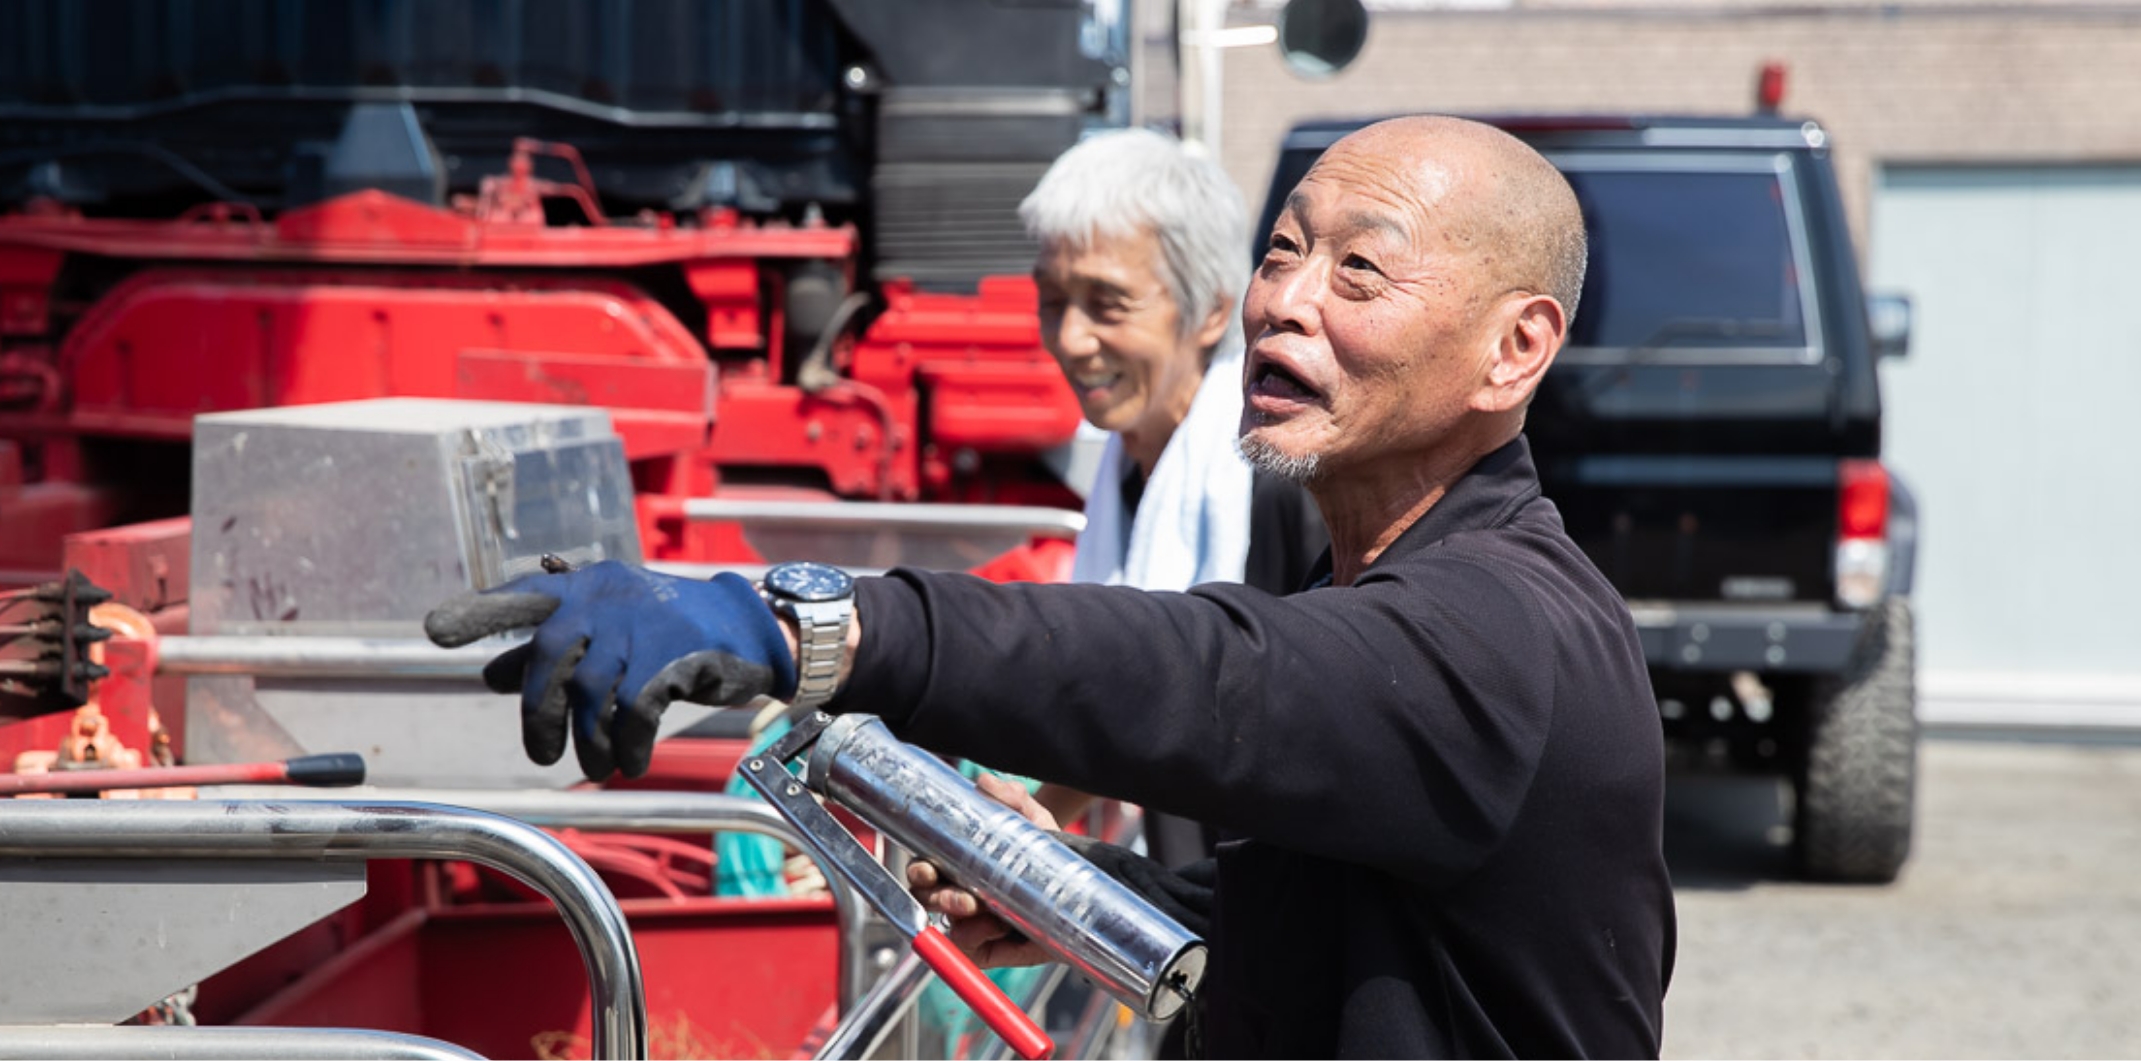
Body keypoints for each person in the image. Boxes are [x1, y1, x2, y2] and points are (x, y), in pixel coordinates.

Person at [427, 115, 1676, 1057]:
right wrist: (1086, 894)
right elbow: (1338, 930)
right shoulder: (1359, 567)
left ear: (1514, 349)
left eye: (1359, 274)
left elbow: (1208, 674)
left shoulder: (1500, 625)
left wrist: (813, 619)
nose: (1282, 304)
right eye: (1283, 253)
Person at [1017, 127, 1326, 864]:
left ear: (1212, 313)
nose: (1072, 339)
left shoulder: (1281, 480)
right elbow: (1119, 707)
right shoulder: (1128, 468)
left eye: (1109, 304)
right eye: (1053, 300)